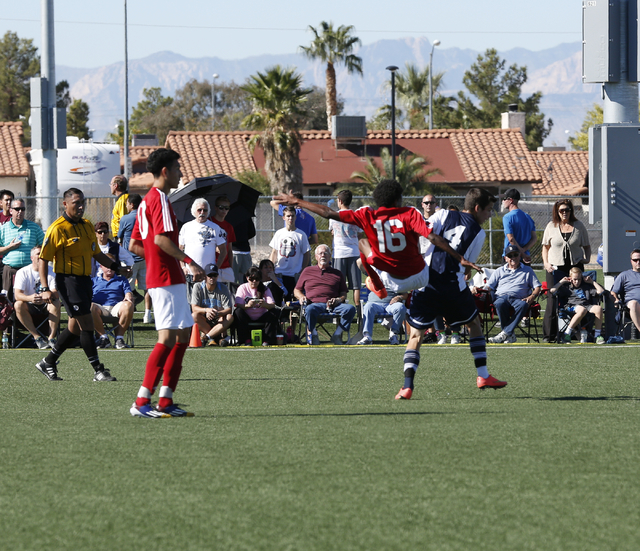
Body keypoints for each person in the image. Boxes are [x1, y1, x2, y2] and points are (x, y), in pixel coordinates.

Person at [274, 180, 480, 299]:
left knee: (362, 243)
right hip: (420, 277)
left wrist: (297, 201)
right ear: (398, 199)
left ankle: (376, 283)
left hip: (392, 280)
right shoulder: (409, 213)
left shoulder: (367, 215)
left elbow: (328, 213)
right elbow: (434, 237)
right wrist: (459, 257)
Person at [394, 188, 507, 400]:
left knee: (415, 335)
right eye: (488, 210)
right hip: (452, 286)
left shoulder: (442, 214)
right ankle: (482, 375)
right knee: (474, 324)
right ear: (477, 208)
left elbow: (424, 235)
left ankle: (407, 387)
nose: (489, 215)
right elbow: (464, 270)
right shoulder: (479, 233)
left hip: (425, 283)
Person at [129, 148, 205, 418]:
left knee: (183, 334)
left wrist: (158, 259)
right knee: (167, 337)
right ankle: (142, 400)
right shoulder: (158, 198)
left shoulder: (148, 200)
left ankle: (165, 399)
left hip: (165, 276)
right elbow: (160, 240)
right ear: (165, 172)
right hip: (165, 278)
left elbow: (135, 244)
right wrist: (189, 261)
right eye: (177, 169)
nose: (180, 173)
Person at [35, 188, 123, 382]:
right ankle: (98, 370)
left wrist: (117, 267)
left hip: (85, 281)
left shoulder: (86, 226)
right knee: (87, 324)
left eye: (82, 202)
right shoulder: (57, 228)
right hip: (68, 282)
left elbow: (97, 254)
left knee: (74, 327)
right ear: (65, 204)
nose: (81, 206)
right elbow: (43, 259)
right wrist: (45, 287)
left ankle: (48, 362)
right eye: (76, 202)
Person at [541, 199, 591, 342]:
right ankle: (548, 336)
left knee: (580, 297)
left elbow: (587, 245)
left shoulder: (579, 226)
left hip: (575, 267)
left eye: (567, 210)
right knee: (552, 299)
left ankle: (581, 332)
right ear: (557, 211)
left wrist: (586, 259)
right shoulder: (551, 226)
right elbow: (545, 247)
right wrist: (546, 263)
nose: (564, 212)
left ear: (571, 211)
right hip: (555, 268)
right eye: (561, 210)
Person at [294, 244, 356, 345]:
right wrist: (301, 297)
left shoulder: (337, 273)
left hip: (333, 305)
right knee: (309, 310)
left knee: (350, 309)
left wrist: (338, 300)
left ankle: (337, 334)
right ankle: (313, 334)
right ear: (316, 257)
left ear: (330, 256)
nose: (323, 255)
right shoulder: (307, 271)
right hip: (314, 304)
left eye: (325, 253)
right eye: (320, 253)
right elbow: (297, 290)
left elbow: (343, 293)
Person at [486, 245, 541, 344]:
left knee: (524, 305)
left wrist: (532, 296)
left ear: (519, 256)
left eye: (515, 255)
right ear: (505, 258)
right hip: (501, 297)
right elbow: (489, 287)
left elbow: (537, 287)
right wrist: (478, 289)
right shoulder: (499, 271)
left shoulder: (527, 270)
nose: (513, 258)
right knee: (499, 303)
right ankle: (509, 334)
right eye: (510, 256)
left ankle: (504, 334)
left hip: (519, 299)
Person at [179, 197, 227, 301]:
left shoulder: (215, 228)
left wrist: (216, 268)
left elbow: (223, 250)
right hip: (190, 273)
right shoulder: (186, 227)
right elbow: (179, 249)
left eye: (205, 210)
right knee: (190, 303)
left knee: (206, 302)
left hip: (208, 274)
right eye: (199, 210)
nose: (202, 212)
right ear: (194, 211)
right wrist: (183, 267)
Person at [13, 245, 60, 349]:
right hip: (29, 305)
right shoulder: (22, 272)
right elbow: (17, 295)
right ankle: (37, 337)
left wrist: (47, 294)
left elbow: (56, 293)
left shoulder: (52, 271)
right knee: (18, 304)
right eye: (38, 254)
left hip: (46, 304)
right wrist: (30, 298)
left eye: (42, 254)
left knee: (56, 302)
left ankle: (51, 338)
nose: (41, 256)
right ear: (32, 257)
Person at [0, 198, 46, 302]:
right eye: (17, 209)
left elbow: (44, 246)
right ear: (11, 210)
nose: (20, 211)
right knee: (8, 301)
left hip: (28, 271)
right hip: (10, 270)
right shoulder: (3, 229)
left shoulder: (33, 227)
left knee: (28, 300)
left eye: (22, 209)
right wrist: (9, 247)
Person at [118, 193, 153, 323]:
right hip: (145, 257)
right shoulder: (147, 217)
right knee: (147, 287)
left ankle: (129, 314)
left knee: (127, 288)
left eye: (127, 203)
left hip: (130, 259)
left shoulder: (125, 219)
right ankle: (147, 315)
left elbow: (119, 238)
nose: (126, 205)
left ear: (132, 204)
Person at [329, 190, 362, 319]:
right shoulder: (356, 215)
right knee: (356, 285)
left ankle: (340, 310)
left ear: (340, 201)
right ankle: (359, 311)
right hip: (354, 253)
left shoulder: (333, 216)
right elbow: (359, 233)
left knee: (338, 285)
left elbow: (332, 232)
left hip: (339, 254)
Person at [551, 266, 605, 344]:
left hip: (586, 305)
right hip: (571, 306)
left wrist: (592, 282)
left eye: (579, 279)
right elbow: (552, 290)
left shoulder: (586, 286)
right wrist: (562, 281)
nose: (577, 282)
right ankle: (566, 334)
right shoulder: (567, 287)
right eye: (575, 279)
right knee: (582, 309)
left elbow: (601, 291)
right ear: (570, 278)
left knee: (599, 308)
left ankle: (597, 336)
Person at [91, 255, 135, 350]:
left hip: (117, 307)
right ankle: (104, 338)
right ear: (101, 267)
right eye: (106, 265)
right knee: (89, 307)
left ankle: (119, 339)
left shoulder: (122, 279)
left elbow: (128, 292)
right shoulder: (93, 281)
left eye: (112, 265)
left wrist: (128, 295)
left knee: (128, 304)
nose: (109, 268)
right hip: (100, 308)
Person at [269, 205, 311, 297]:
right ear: (284, 217)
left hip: (294, 274)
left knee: (293, 302)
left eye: (292, 215)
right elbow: (274, 252)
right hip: (279, 273)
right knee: (279, 300)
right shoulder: (279, 233)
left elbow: (306, 254)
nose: (290, 218)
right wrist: (270, 268)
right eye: (288, 216)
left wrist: (302, 270)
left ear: (295, 217)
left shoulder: (301, 234)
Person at [234, 266, 279, 346]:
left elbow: (272, 305)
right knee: (238, 312)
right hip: (247, 316)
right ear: (247, 278)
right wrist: (248, 305)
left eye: (257, 279)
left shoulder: (265, 289)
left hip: (262, 316)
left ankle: (267, 340)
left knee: (274, 312)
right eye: (251, 279)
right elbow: (238, 304)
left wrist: (265, 305)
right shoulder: (242, 288)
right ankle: (245, 339)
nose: (254, 281)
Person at [191, 263, 233, 346]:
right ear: (205, 276)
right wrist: (207, 310)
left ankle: (207, 337)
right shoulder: (197, 287)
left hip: (219, 318)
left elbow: (229, 309)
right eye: (210, 275)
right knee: (194, 316)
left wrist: (217, 313)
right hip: (204, 318)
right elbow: (194, 308)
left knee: (230, 317)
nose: (212, 278)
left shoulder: (223, 288)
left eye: (215, 275)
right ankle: (218, 338)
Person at [501, 188, 537, 265]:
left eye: (504, 199)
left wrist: (521, 253)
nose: (503, 201)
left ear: (510, 200)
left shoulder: (507, 217)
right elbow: (534, 238)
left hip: (511, 257)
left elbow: (511, 239)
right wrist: (524, 251)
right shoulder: (528, 217)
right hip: (525, 258)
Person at [610, 249, 640, 336]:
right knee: (634, 304)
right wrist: (615, 300)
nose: (638, 262)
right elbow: (613, 292)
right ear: (631, 261)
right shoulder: (624, 275)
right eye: (635, 260)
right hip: (631, 305)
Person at [209, 195, 236, 286]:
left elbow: (230, 250)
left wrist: (231, 267)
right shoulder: (209, 223)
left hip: (226, 268)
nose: (224, 210)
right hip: (212, 265)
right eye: (221, 208)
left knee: (230, 295)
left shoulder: (229, 226)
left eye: (226, 208)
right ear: (215, 208)